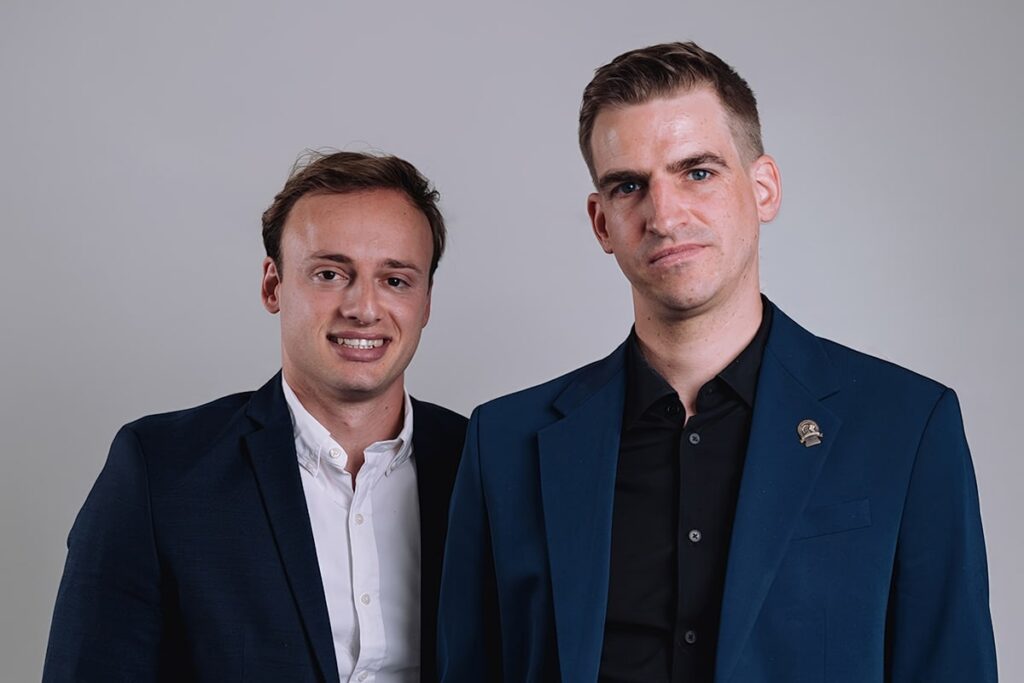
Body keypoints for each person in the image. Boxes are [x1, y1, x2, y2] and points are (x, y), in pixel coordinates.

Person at [438, 42, 997, 682]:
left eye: (697, 173)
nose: (664, 215)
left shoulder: (906, 426)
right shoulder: (505, 443)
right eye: (629, 186)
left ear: (763, 189)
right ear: (601, 223)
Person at [43, 151, 467, 683]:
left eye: (396, 280)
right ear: (273, 286)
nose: (363, 308)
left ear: (426, 302)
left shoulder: (481, 465)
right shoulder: (160, 471)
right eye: (330, 273)